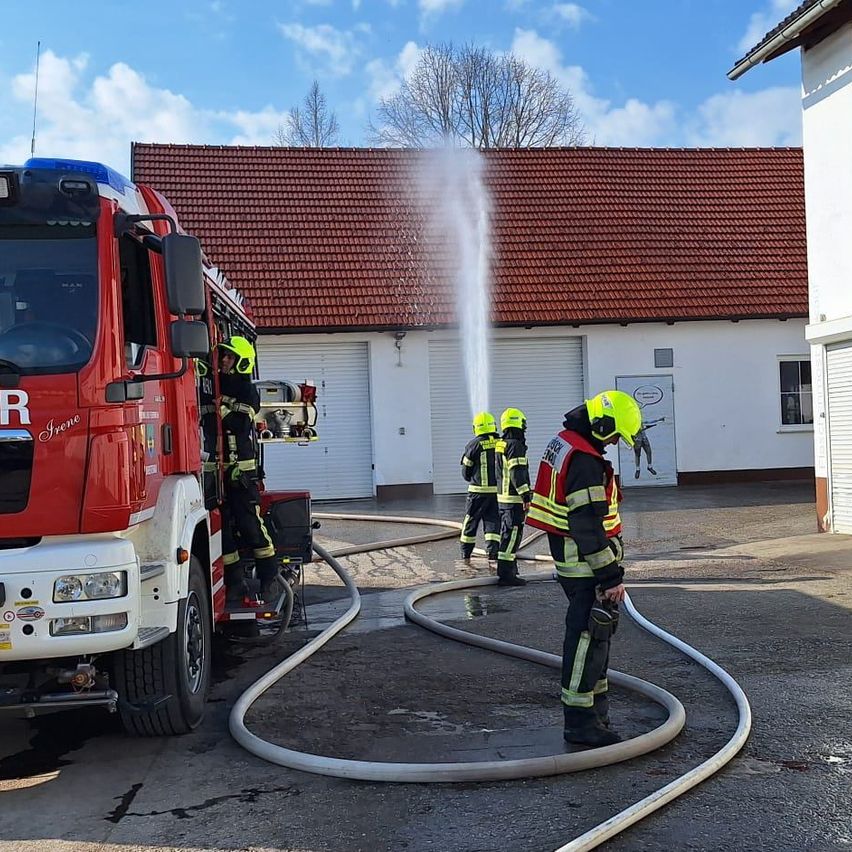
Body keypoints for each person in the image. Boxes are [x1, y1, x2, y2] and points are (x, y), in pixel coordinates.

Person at [526, 390, 641, 747]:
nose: (612, 443)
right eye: (614, 435)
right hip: (586, 565)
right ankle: (580, 721)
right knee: (588, 637)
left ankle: (596, 712)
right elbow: (587, 524)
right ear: (602, 424)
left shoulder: (566, 443)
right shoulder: (586, 460)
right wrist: (610, 576)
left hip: (573, 560)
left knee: (597, 638)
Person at [217, 335, 279, 604]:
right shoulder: (215, 384)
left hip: (242, 473)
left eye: (230, 357)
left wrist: (219, 407)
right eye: (223, 356)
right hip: (217, 473)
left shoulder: (247, 391)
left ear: (242, 362)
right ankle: (235, 584)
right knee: (224, 533)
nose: (224, 360)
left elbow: (240, 425)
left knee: (251, 527)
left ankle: (269, 580)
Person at [495, 407, 532, 586]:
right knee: (512, 536)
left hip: (503, 499)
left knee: (506, 535)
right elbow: (517, 473)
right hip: (513, 499)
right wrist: (526, 495)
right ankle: (506, 574)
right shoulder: (515, 446)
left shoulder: (501, 443)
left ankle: (510, 568)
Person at [459, 412, 500, 563]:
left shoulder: (473, 445)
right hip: (496, 493)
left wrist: (470, 478)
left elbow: (466, 470)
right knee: (493, 521)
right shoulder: (500, 442)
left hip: (477, 492)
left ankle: (466, 553)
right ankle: (493, 553)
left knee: (471, 520)